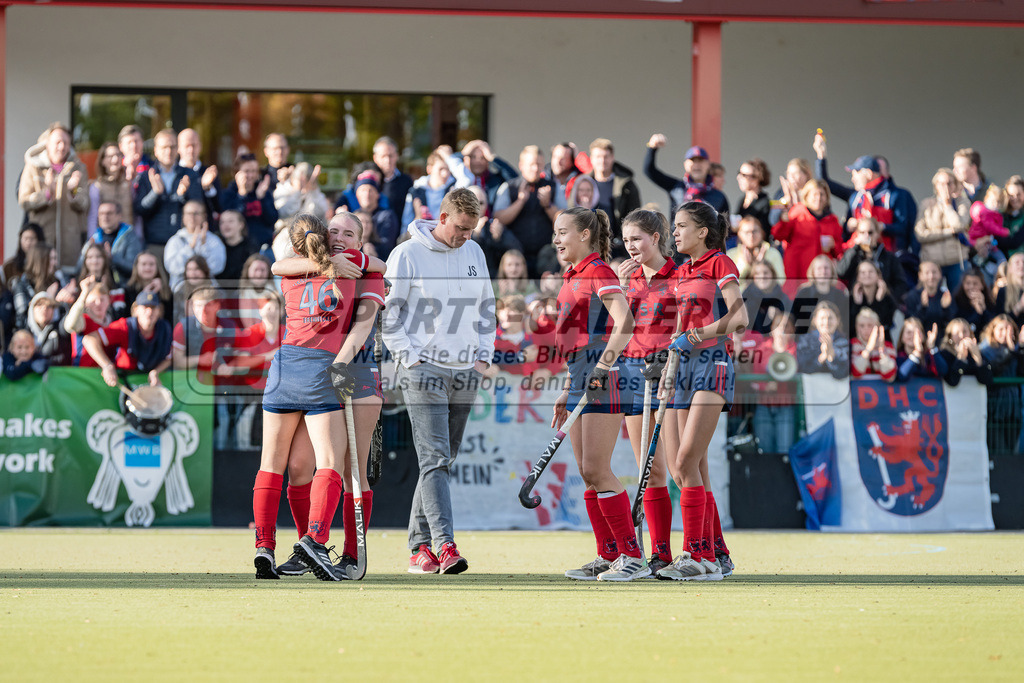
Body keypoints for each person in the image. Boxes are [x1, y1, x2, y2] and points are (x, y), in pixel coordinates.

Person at [251, 214, 382, 581]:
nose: (340, 237)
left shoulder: (365, 271)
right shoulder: (313, 264)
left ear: (360, 241)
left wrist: (342, 362)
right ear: (323, 236)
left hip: (357, 369)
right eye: (334, 231)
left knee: (353, 469)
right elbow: (280, 263)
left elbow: (364, 323)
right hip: (321, 368)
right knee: (301, 466)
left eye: (349, 233)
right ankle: (309, 545)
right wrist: (330, 263)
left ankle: (350, 554)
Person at [383, 188, 495, 575]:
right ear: (443, 217)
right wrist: (409, 358)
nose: (465, 236)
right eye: (461, 228)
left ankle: (418, 548)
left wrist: (483, 358)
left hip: (467, 370)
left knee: (442, 460)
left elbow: (486, 308)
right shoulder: (406, 254)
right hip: (423, 369)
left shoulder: (474, 252)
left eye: (471, 229)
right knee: (435, 458)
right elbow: (388, 314)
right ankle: (444, 544)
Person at [656, 201, 747, 581]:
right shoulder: (681, 271)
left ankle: (697, 555)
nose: (675, 233)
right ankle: (716, 553)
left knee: (684, 463)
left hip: (713, 363)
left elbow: (739, 318)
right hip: (682, 368)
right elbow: (677, 326)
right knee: (687, 470)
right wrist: (668, 364)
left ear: (703, 232)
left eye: (681, 226)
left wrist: (696, 336)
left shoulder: (720, 263)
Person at [549, 207, 638, 581]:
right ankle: (608, 554)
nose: (556, 239)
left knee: (597, 469)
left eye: (563, 232)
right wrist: (566, 388)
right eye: (555, 232)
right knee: (587, 473)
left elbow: (626, 323)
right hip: (579, 375)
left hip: (605, 374)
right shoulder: (571, 276)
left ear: (584, 234)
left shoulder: (599, 271)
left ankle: (632, 557)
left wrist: (602, 367)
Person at [615, 208, 678, 576]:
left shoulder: (678, 276)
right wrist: (622, 289)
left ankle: (704, 550)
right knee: (647, 471)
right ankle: (659, 554)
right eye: (626, 240)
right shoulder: (630, 279)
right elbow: (618, 328)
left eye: (636, 238)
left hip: (668, 375)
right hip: (634, 375)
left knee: (678, 469)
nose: (630, 246)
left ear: (655, 238)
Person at [18, 122, 90, 267]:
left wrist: (73, 192)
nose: (62, 147)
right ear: (47, 144)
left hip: (70, 247)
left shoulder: (78, 168)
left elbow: (85, 203)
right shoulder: (33, 166)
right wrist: (47, 193)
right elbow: (24, 201)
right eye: (58, 142)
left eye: (66, 143)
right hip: (41, 243)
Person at [134, 128, 203, 258]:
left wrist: (182, 195)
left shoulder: (190, 175)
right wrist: (155, 193)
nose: (169, 151)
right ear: (156, 150)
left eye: (172, 147)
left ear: (177, 148)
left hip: (184, 243)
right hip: (155, 244)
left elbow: (198, 206)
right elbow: (140, 210)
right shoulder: (146, 176)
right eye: (164, 147)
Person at [492, 146, 559, 277]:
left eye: (539, 164)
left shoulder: (553, 186)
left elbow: (564, 219)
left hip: (545, 257)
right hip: (517, 256)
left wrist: (548, 205)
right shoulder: (509, 186)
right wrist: (520, 201)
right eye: (531, 164)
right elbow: (498, 218)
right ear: (521, 165)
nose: (535, 168)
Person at [83, 290, 173, 387]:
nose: (149, 312)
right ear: (136, 309)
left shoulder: (164, 329)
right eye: (145, 307)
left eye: (153, 308)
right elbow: (89, 339)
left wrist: (156, 372)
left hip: (149, 383)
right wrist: (107, 366)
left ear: (159, 311)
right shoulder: (125, 327)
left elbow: (170, 356)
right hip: (122, 381)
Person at [771, 179, 843, 282]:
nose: (818, 198)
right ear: (806, 196)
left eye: (822, 194)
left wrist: (833, 245)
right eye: (815, 194)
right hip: (797, 274)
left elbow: (839, 251)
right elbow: (778, 235)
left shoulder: (832, 221)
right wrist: (783, 222)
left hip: (821, 277)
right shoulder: (797, 213)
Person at [643, 135, 728, 216]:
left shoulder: (719, 196)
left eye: (700, 160)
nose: (697, 165)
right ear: (685, 165)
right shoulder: (676, 187)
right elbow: (649, 170)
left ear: (708, 165)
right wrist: (652, 147)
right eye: (693, 161)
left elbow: (726, 224)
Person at [915, 168, 970, 292]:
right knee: (930, 296)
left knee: (958, 296)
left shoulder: (962, 202)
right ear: (936, 185)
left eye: (949, 183)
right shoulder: (926, 204)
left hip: (956, 260)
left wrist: (947, 205)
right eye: (941, 183)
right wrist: (948, 232)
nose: (946, 187)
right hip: (932, 261)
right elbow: (920, 234)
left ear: (955, 185)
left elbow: (959, 225)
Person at [978, 315, 1022, 455]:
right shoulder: (985, 350)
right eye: (1001, 329)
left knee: (1012, 449)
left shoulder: (1016, 350)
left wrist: (1019, 349)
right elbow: (994, 369)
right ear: (993, 330)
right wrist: (1011, 352)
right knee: (999, 450)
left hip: (1013, 406)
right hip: (994, 407)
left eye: (1009, 330)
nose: (1005, 333)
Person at [837, 217, 908, 301]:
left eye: (870, 232)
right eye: (862, 232)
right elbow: (841, 272)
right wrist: (855, 248)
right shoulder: (853, 254)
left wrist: (888, 298)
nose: (866, 236)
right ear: (857, 234)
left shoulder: (888, 257)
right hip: (857, 302)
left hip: (881, 303)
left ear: (877, 233)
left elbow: (901, 284)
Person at [587, 138, 642, 248]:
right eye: (598, 157)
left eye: (606, 156)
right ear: (591, 159)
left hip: (619, 245)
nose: (602, 161)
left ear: (612, 157)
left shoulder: (626, 184)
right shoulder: (583, 184)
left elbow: (635, 215)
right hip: (590, 244)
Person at [163, 200, 226, 290]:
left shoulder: (214, 240)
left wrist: (203, 246)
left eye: (196, 213)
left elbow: (217, 267)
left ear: (204, 216)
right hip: (181, 290)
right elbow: (173, 268)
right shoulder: (175, 240)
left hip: (207, 290)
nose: (192, 217)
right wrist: (190, 247)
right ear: (183, 217)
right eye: (188, 213)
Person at [80, 201, 142, 286]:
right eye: (101, 213)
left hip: (122, 287)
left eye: (109, 213)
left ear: (119, 216)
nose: (105, 217)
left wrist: (112, 258)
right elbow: (79, 267)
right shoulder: (94, 238)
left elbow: (134, 268)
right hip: (95, 285)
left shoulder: (130, 237)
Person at [222, 153, 277, 248]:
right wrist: (242, 194)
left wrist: (262, 198)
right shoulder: (228, 193)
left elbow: (272, 219)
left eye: (254, 171)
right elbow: (231, 219)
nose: (251, 175)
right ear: (237, 173)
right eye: (247, 171)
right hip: (238, 247)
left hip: (263, 245)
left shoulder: (263, 191)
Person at [87, 142, 135, 238]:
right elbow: (93, 217)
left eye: (118, 155)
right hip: (106, 239)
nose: (115, 159)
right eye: (110, 156)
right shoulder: (96, 187)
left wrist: (139, 237)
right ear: (102, 161)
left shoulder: (129, 184)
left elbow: (135, 215)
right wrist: (92, 240)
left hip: (127, 238)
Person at [796, 300, 850, 378]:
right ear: (815, 320)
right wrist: (822, 357)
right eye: (822, 318)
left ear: (837, 320)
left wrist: (831, 356)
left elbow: (842, 373)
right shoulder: (806, 341)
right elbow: (803, 368)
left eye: (830, 318)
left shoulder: (844, 342)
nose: (826, 322)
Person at [939, 317, 993, 387]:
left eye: (964, 332)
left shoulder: (978, 353)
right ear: (950, 336)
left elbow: (987, 380)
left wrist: (978, 358)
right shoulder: (945, 354)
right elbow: (952, 381)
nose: (961, 336)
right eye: (957, 333)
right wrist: (961, 359)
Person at [729, 216, 785, 281]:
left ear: (762, 233)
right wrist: (744, 265)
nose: (751, 235)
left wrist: (761, 265)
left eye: (754, 231)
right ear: (739, 234)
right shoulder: (731, 254)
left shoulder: (773, 253)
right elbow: (730, 283)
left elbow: (780, 281)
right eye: (747, 232)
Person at [903, 261, 955, 332]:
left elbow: (951, 324)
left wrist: (945, 309)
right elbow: (910, 324)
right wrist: (923, 307)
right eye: (927, 273)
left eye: (934, 272)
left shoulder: (946, 296)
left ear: (940, 274)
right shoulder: (912, 297)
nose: (931, 276)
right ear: (920, 275)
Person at [372, 136, 414, 222]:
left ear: (397, 156)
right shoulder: (369, 182)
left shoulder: (406, 181)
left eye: (390, 156)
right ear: (375, 158)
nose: (387, 160)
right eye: (383, 156)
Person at [849, 260, 898, 333]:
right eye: (863, 272)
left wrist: (879, 300)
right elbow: (850, 326)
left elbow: (887, 323)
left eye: (871, 272)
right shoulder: (851, 299)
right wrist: (856, 304)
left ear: (878, 275)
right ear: (858, 277)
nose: (867, 275)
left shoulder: (887, 298)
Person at [123, 251, 173, 320]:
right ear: (137, 266)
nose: (148, 268)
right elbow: (127, 316)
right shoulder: (128, 290)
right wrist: (144, 295)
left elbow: (169, 317)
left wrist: (162, 291)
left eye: (151, 264)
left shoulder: (166, 290)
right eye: (144, 264)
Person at [894, 317, 947, 382]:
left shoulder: (929, 356)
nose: (913, 336)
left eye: (917, 333)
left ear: (923, 337)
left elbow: (943, 371)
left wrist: (932, 348)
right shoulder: (897, 356)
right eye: (909, 332)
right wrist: (917, 352)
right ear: (902, 337)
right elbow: (902, 376)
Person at [850, 308, 896, 381]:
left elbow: (889, 376)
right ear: (857, 327)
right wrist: (868, 349)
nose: (866, 329)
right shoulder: (852, 345)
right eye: (862, 325)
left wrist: (882, 351)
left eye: (870, 325)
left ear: (877, 326)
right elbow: (856, 373)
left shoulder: (888, 346)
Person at [217, 210, 256, 282]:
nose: (226, 225)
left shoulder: (251, 246)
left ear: (241, 224)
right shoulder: (216, 245)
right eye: (222, 222)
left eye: (230, 221)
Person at [734, 158, 772, 233]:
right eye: (739, 173)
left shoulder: (764, 203)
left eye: (744, 175)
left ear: (757, 178)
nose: (738, 177)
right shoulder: (742, 200)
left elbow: (763, 232)